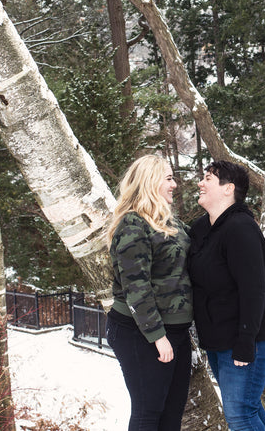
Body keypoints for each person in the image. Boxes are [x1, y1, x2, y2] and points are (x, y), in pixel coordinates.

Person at [188, 160, 265, 431]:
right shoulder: (201, 228)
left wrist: (246, 341)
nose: (200, 183)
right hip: (220, 339)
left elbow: (254, 289)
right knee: (247, 409)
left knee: (240, 415)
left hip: (249, 339)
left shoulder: (240, 228)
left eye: (208, 178)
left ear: (228, 189)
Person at [106, 154, 193, 431]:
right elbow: (136, 287)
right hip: (140, 332)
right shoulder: (133, 225)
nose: (174, 185)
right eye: (168, 178)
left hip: (175, 333)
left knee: (171, 416)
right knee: (148, 413)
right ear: (150, 182)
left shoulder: (171, 223)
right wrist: (157, 336)